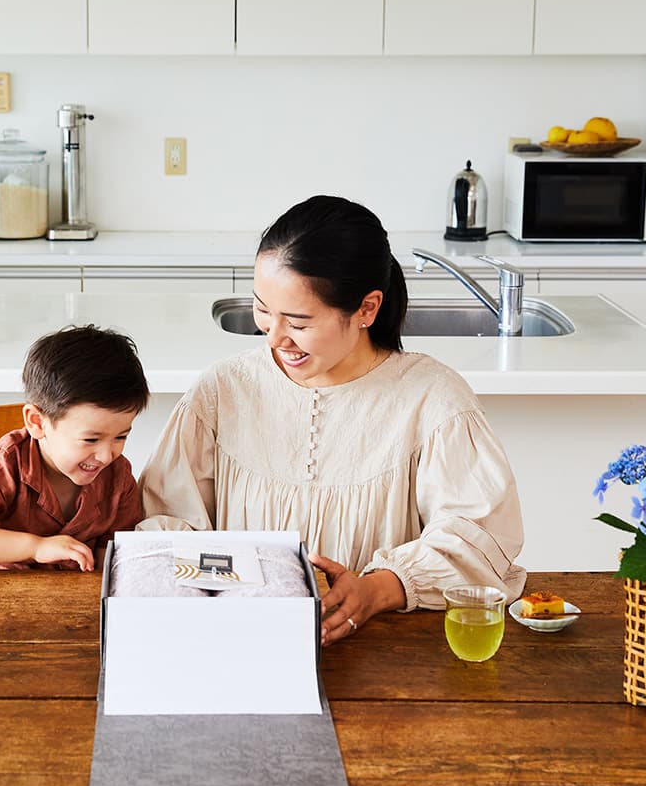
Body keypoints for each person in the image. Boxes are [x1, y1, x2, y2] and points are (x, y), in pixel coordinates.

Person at [138, 195, 525, 643]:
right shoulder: (223, 389)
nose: (275, 338)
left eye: (298, 323)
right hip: (241, 641)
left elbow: (477, 539)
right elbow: (166, 522)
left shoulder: (434, 400)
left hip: (389, 650)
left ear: (366, 309)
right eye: (263, 310)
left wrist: (378, 589)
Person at [0, 325, 150, 570]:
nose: (106, 455)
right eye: (91, 440)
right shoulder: (7, 463)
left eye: (121, 436)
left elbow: (114, 558)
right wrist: (36, 547)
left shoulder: (118, 477)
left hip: (74, 592)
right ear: (37, 422)